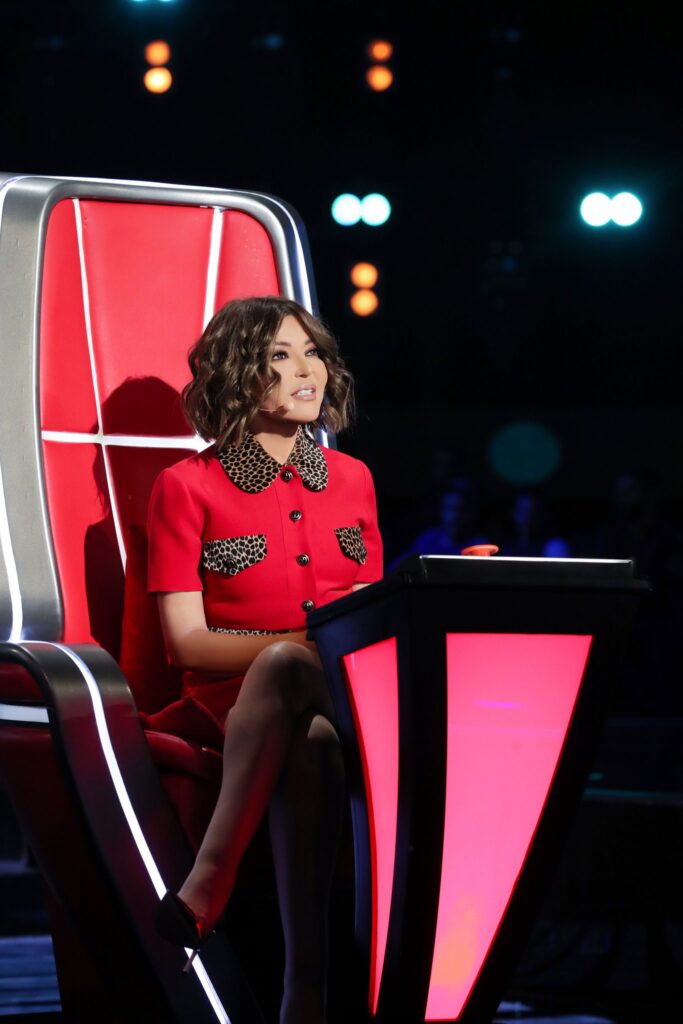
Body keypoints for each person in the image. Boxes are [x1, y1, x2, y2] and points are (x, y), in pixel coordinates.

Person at [146, 296, 383, 1024]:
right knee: (306, 728)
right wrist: (297, 645)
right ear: (236, 373)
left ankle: (206, 885)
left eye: (313, 353)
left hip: (343, 685)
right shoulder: (186, 486)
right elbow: (185, 643)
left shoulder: (353, 479)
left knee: (301, 681)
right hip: (230, 702)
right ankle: (304, 990)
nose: (306, 370)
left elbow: (367, 615)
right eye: (280, 356)